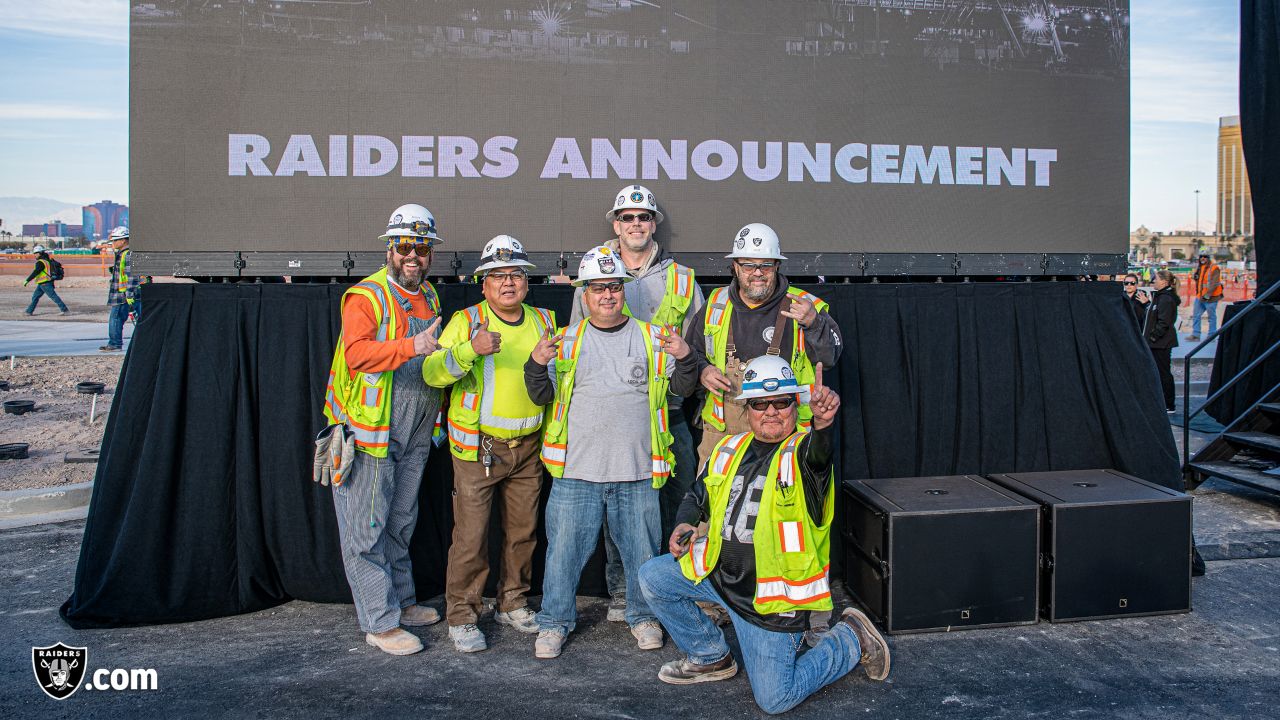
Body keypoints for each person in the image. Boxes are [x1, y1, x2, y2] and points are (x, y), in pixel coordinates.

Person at [637, 356, 890, 715]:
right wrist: (686, 521)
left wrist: (823, 423)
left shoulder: (803, 455)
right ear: (748, 408)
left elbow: (820, 454)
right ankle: (710, 657)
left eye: (781, 402)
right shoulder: (730, 449)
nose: (771, 411)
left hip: (770, 605)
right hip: (720, 579)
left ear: (793, 406)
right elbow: (699, 494)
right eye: (760, 403)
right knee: (654, 577)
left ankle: (851, 639)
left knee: (775, 699)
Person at [523, 245, 678, 659]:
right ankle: (554, 623)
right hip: (577, 472)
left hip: (638, 471)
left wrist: (686, 357)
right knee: (562, 557)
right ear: (583, 295)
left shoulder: (650, 337)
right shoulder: (565, 340)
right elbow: (541, 395)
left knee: (643, 555)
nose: (607, 295)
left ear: (623, 290)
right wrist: (536, 365)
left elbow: (678, 391)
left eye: (614, 287)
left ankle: (643, 617)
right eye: (597, 289)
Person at [569, 184, 705, 623]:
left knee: (677, 501)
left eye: (643, 217)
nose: (635, 225)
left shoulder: (682, 279)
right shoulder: (594, 271)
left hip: (670, 411)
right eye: (627, 218)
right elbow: (576, 347)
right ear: (616, 224)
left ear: (653, 224)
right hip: (618, 416)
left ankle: (672, 589)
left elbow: (699, 345)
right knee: (619, 508)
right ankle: (625, 593)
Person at [315, 203, 446, 655]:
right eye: (406, 247)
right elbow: (357, 355)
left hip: (416, 429)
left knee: (401, 519)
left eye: (422, 248)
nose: (414, 256)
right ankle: (379, 620)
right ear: (390, 248)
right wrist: (415, 344)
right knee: (366, 527)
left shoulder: (429, 296)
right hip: (370, 429)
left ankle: (402, 601)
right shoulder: (365, 297)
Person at [422, 236, 555, 652]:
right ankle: (462, 615)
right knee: (471, 536)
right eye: (497, 276)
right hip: (478, 450)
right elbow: (430, 372)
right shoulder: (467, 321)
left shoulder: (545, 320)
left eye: (515, 274)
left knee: (523, 532)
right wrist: (467, 351)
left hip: (529, 446)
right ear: (484, 284)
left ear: (527, 282)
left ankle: (512, 602)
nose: (508, 283)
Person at [671, 223, 843, 466]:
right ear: (735, 267)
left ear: (777, 267)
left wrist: (813, 324)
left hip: (783, 431)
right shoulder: (715, 305)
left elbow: (830, 359)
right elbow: (692, 354)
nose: (757, 272)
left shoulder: (805, 306)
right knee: (711, 499)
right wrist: (702, 370)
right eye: (749, 265)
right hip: (722, 434)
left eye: (766, 265)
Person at [1138, 270, 1180, 414]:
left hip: (1161, 344)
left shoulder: (1166, 299)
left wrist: (1153, 337)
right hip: (1156, 343)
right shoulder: (1160, 297)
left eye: (1155, 279)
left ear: (1163, 282)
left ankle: (1169, 404)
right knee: (1156, 372)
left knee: (1163, 373)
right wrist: (1147, 304)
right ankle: (1159, 401)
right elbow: (1154, 315)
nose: (1153, 281)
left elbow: (1164, 322)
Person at [100, 226, 146, 352]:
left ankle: (115, 344)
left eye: (115, 240)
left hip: (124, 295)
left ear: (123, 240)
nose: (113, 243)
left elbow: (132, 275)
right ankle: (145, 342)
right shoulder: (124, 254)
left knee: (116, 318)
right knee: (141, 319)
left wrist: (129, 294)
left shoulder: (127, 255)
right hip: (126, 293)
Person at [23, 245, 68, 316]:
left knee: (53, 297)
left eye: (35, 253)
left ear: (39, 253)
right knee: (35, 297)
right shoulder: (47, 260)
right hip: (42, 283)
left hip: (45, 283)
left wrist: (27, 280)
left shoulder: (41, 262)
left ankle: (64, 310)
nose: (35, 255)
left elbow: (36, 272)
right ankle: (29, 311)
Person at [1188, 253, 1223, 341]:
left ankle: (1211, 335)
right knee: (1196, 315)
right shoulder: (1200, 268)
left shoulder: (1214, 268)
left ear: (1208, 258)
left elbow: (1214, 283)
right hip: (1200, 296)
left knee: (1211, 316)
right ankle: (1196, 335)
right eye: (1201, 257)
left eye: (1205, 257)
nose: (1202, 259)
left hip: (1211, 297)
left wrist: (1207, 295)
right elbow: (1200, 282)